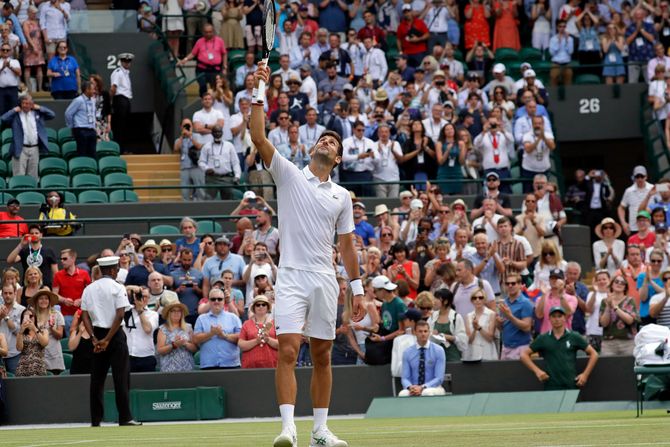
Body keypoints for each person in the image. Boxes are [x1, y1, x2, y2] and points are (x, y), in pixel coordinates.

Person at [251, 62, 363, 447]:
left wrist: (358, 287)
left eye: (335, 142)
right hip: (293, 276)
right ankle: (288, 428)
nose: (327, 142)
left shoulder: (342, 196)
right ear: (314, 147)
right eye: (324, 139)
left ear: (338, 159)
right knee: (287, 349)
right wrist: (258, 92)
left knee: (323, 354)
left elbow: (346, 245)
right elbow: (258, 135)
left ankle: (320, 430)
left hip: (325, 278)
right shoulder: (288, 174)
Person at [81, 256, 140, 426]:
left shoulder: (89, 288)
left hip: (97, 334)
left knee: (97, 379)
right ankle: (125, 417)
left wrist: (94, 338)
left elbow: (84, 315)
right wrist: (107, 339)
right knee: (121, 378)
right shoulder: (117, 287)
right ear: (113, 270)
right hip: (114, 335)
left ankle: (95, 419)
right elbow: (120, 314)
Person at [520, 306, 598, 390]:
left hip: (571, 384)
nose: (557, 319)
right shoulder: (543, 338)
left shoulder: (574, 336)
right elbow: (524, 354)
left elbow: (594, 354)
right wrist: (537, 371)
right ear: (549, 319)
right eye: (554, 316)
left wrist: (585, 375)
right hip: (551, 385)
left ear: (565, 318)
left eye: (559, 316)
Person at [1, 94, 55, 179]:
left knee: (33, 176)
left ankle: (32, 191)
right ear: (20, 104)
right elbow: (3, 119)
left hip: (34, 148)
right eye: (25, 103)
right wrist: (13, 110)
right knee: (19, 175)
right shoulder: (15, 116)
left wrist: (40, 108)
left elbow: (52, 115)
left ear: (32, 104)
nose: (27, 105)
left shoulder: (37, 113)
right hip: (20, 148)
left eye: (29, 103)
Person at [193, 288, 242, 369]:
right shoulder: (201, 318)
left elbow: (241, 339)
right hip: (208, 365)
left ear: (224, 301)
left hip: (231, 365)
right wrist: (211, 334)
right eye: (213, 299)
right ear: (209, 301)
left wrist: (224, 335)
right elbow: (195, 340)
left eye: (219, 299)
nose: (216, 301)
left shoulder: (233, 317)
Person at [397, 320, 446, 396]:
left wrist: (423, 387)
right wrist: (410, 387)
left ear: (429, 332)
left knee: (426, 392)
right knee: (402, 394)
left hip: (434, 388)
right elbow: (405, 378)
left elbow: (439, 378)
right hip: (414, 388)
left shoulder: (439, 350)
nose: (423, 334)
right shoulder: (407, 352)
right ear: (415, 332)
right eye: (420, 331)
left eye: (425, 331)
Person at [177, 23, 228, 96]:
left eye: (210, 32)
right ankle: (203, 102)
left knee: (215, 88)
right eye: (206, 32)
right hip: (202, 69)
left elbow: (224, 53)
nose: (208, 34)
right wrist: (184, 60)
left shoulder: (219, 41)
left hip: (215, 69)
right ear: (203, 32)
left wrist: (225, 66)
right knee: (203, 87)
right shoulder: (199, 41)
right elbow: (193, 53)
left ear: (213, 32)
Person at [52, 248, 91, 336]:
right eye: (61, 259)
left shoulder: (84, 274)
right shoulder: (58, 275)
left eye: (65, 259)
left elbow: (90, 293)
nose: (62, 261)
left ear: (73, 259)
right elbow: (54, 295)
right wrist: (64, 300)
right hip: (66, 314)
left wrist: (81, 300)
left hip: (83, 313)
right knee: (71, 339)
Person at [599, 274, 639, 356]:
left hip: (627, 342)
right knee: (608, 367)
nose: (619, 284)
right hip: (608, 343)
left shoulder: (630, 300)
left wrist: (614, 307)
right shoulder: (604, 301)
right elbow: (603, 323)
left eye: (622, 283)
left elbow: (630, 320)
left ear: (625, 287)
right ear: (612, 284)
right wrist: (608, 306)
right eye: (616, 281)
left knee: (628, 367)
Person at [198, 125, 241, 200]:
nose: (217, 134)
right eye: (215, 132)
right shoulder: (206, 146)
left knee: (228, 202)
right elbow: (201, 162)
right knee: (208, 201)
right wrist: (206, 169)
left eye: (219, 132)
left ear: (222, 133)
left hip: (226, 178)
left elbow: (235, 162)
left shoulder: (229, 145)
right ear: (212, 133)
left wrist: (237, 176)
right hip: (212, 178)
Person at [497, 273, 533, 360]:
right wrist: (498, 322)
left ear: (520, 285)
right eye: (507, 283)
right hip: (506, 347)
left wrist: (510, 316)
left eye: (513, 283)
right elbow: (501, 328)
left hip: (520, 347)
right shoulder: (504, 302)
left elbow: (527, 327)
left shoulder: (526, 303)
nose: (510, 286)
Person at [238, 295, 278, 368]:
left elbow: (281, 345)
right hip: (250, 367)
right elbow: (241, 344)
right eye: (258, 305)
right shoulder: (246, 324)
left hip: (272, 366)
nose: (261, 306)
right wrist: (256, 341)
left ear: (268, 307)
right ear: (254, 308)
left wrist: (268, 339)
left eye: (264, 304)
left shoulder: (275, 324)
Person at [156, 302, 197, 372]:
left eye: (179, 311)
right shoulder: (163, 328)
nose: (176, 313)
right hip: (168, 369)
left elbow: (195, 349)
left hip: (187, 368)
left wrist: (185, 343)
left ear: (182, 313)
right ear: (169, 313)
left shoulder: (188, 327)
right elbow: (160, 350)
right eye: (173, 311)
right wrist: (174, 345)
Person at [175, 118, 205, 201]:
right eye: (185, 126)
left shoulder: (197, 136)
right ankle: (186, 212)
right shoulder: (179, 139)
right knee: (184, 191)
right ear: (181, 127)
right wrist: (182, 136)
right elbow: (176, 148)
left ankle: (201, 209)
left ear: (192, 126)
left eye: (189, 125)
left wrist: (190, 136)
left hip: (196, 166)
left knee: (200, 191)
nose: (187, 127)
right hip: (184, 168)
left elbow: (199, 146)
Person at [618, 166, 654, 236]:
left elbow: (667, 187)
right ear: (634, 178)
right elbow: (621, 207)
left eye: (642, 176)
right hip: (634, 227)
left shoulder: (653, 187)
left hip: (650, 227)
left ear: (646, 177)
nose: (640, 179)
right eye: (637, 177)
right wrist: (624, 223)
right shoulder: (629, 190)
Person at [64, 81, 97, 158]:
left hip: (91, 130)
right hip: (81, 130)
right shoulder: (78, 100)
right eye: (92, 89)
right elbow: (68, 113)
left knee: (93, 154)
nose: (94, 91)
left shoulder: (93, 100)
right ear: (86, 90)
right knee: (82, 153)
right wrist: (72, 126)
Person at [14, 307, 48, 377]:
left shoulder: (43, 331)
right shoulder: (20, 333)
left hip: (39, 366)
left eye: (31, 316)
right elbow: (19, 348)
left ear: (35, 317)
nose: (29, 318)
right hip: (23, 367)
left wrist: (34, 329)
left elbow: (44, 343)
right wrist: (21, 332)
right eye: (26, 317)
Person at [110, 53, 134, 150]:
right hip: (120, 100)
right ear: (121, 61)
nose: (127, 63)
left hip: (126, 99)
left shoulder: (126, 73)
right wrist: (110, 101)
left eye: (128, 61)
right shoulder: (118, 72)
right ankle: (119, 148)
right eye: (125, 61)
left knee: (125, 125)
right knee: (119, 125)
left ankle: (123, 148)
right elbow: (113, 88)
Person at [0, 283, 25, 374]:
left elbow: (19, 332)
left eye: (10, 293)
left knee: (15, 383)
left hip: (14, 353)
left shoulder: (22, 310)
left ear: (15, 293)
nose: (7, 296)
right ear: (2, 294)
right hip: (0, 352)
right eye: (5, 293)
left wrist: (6, 317)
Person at [22, 7, 45, 92]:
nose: (34, 14)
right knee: (28, 67)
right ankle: (29, 89)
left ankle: (40, 88)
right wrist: (33, 46)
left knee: (39, 66)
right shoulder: (26, 23)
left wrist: (39, 47)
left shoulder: (37, 22)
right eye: (33, 13)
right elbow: (27, 35)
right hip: (29, 47)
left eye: (35, 13)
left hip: (39, 45)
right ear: (28, 13)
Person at [68, 309, 94, 375]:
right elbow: (71, 347)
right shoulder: (75, 332)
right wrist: (80, 332)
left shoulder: (97, 332)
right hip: (77, 371)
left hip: (93, 370)